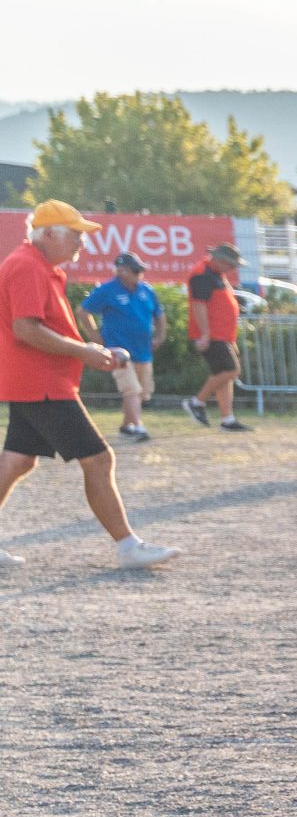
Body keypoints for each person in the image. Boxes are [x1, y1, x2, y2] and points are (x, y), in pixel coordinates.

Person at [0, 201, 178, 570]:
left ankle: (129, 546)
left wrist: (90, 350)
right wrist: (84, 350)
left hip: (33, 381)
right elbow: (26, 329)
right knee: (98, 459)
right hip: (42, 383)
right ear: (48, 234)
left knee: (18, 461)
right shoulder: (27, 266)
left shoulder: (36, 266)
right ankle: (128, 546)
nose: (83, 243)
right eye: (76, 234)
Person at [79, 253, 165, 440]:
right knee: (131, 389)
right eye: (135, 270)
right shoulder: (108, 290)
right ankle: (139, 427)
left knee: (142, 391)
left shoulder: (147, 290)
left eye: (139, 270)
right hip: (118, 351)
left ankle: (127, 426)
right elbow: (83, 311)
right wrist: (95, 337)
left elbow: (159, 314)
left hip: (143, 350)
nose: (138, 274)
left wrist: (160, 335)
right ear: (121, 271)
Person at [181, 242, 250, 432]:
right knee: (231, 371)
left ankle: (227, 420)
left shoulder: (216, 274)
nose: (233, 268)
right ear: (220, 260)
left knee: (223, 376)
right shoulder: (201, 274)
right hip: (213, 335)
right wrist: (205, 334)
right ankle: (197, 402)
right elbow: (198, 305)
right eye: (231, 264)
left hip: (223, 334)